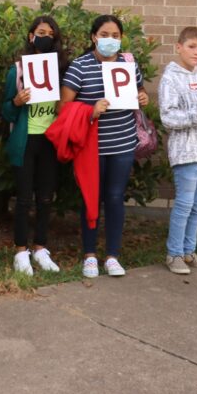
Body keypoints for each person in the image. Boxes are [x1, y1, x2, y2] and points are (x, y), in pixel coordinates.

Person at [61, 14, 149, 278]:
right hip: (91, 146)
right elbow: (63, 107)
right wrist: (90, 110)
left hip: (122, 143)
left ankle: (112, 255)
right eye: (104, 35)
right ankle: (89, 255)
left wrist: (142, 97)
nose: (110, 40)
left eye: (115, 36)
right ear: (93, 37)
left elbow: (138, 92)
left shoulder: (129, 64)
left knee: (114, 198)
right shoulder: (80, 66)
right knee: (91, 199)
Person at [2, 15, 67, 275]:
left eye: (51, 33)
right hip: (26, 139)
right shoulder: (17, 70)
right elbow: (5, 111)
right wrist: (16, 102)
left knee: (45, 197)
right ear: (31, 36)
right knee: (24, 198)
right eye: (41, 32)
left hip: (51, 139)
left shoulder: (63, 70)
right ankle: (20, 250)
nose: (45, 36)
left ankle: (41, 247)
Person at [159, 27, 197, 275]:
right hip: (185, 153)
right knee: (184, 205)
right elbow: (168, 117)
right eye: (192, 46)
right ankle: (173, 253)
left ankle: (188, 251)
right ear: (179, 47)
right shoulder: (170, 77)